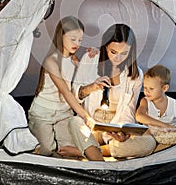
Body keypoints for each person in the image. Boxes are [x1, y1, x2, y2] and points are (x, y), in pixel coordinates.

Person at [58, 23, 156, 159]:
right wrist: (91, 87)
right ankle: (95, 150)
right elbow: (74, 97)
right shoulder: (91, 59)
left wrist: (123, 133)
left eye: (124, 53)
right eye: (113, 52)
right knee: (74, 122)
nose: (117, 58)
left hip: (113, 130)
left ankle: (85, 152)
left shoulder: (136, 75)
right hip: (89, 126)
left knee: (148, 143)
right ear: (105, 47)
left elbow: (129, 111)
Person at [28, 16, 104, 161]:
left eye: (80, 40)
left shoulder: (73, 58)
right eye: (73, 39)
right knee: (47, 150)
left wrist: (91, 54)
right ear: (61, 35)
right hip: (43, 112)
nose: (77, 43)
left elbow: (84, 70)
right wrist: (84, 115)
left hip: (63, 113)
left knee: (66, 149)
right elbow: (66, 92)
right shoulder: (51, 61)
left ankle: (80, 155)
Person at [135, 65, 176, 151]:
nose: (146, 91)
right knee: (145, 143)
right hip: (150, 135)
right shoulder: (145, 101)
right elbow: (139, 116)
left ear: (164, 88)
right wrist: (164, 125)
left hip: (167, 138)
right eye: (145, 87)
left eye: (151, 88)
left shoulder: (175, 104)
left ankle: (158, 151)